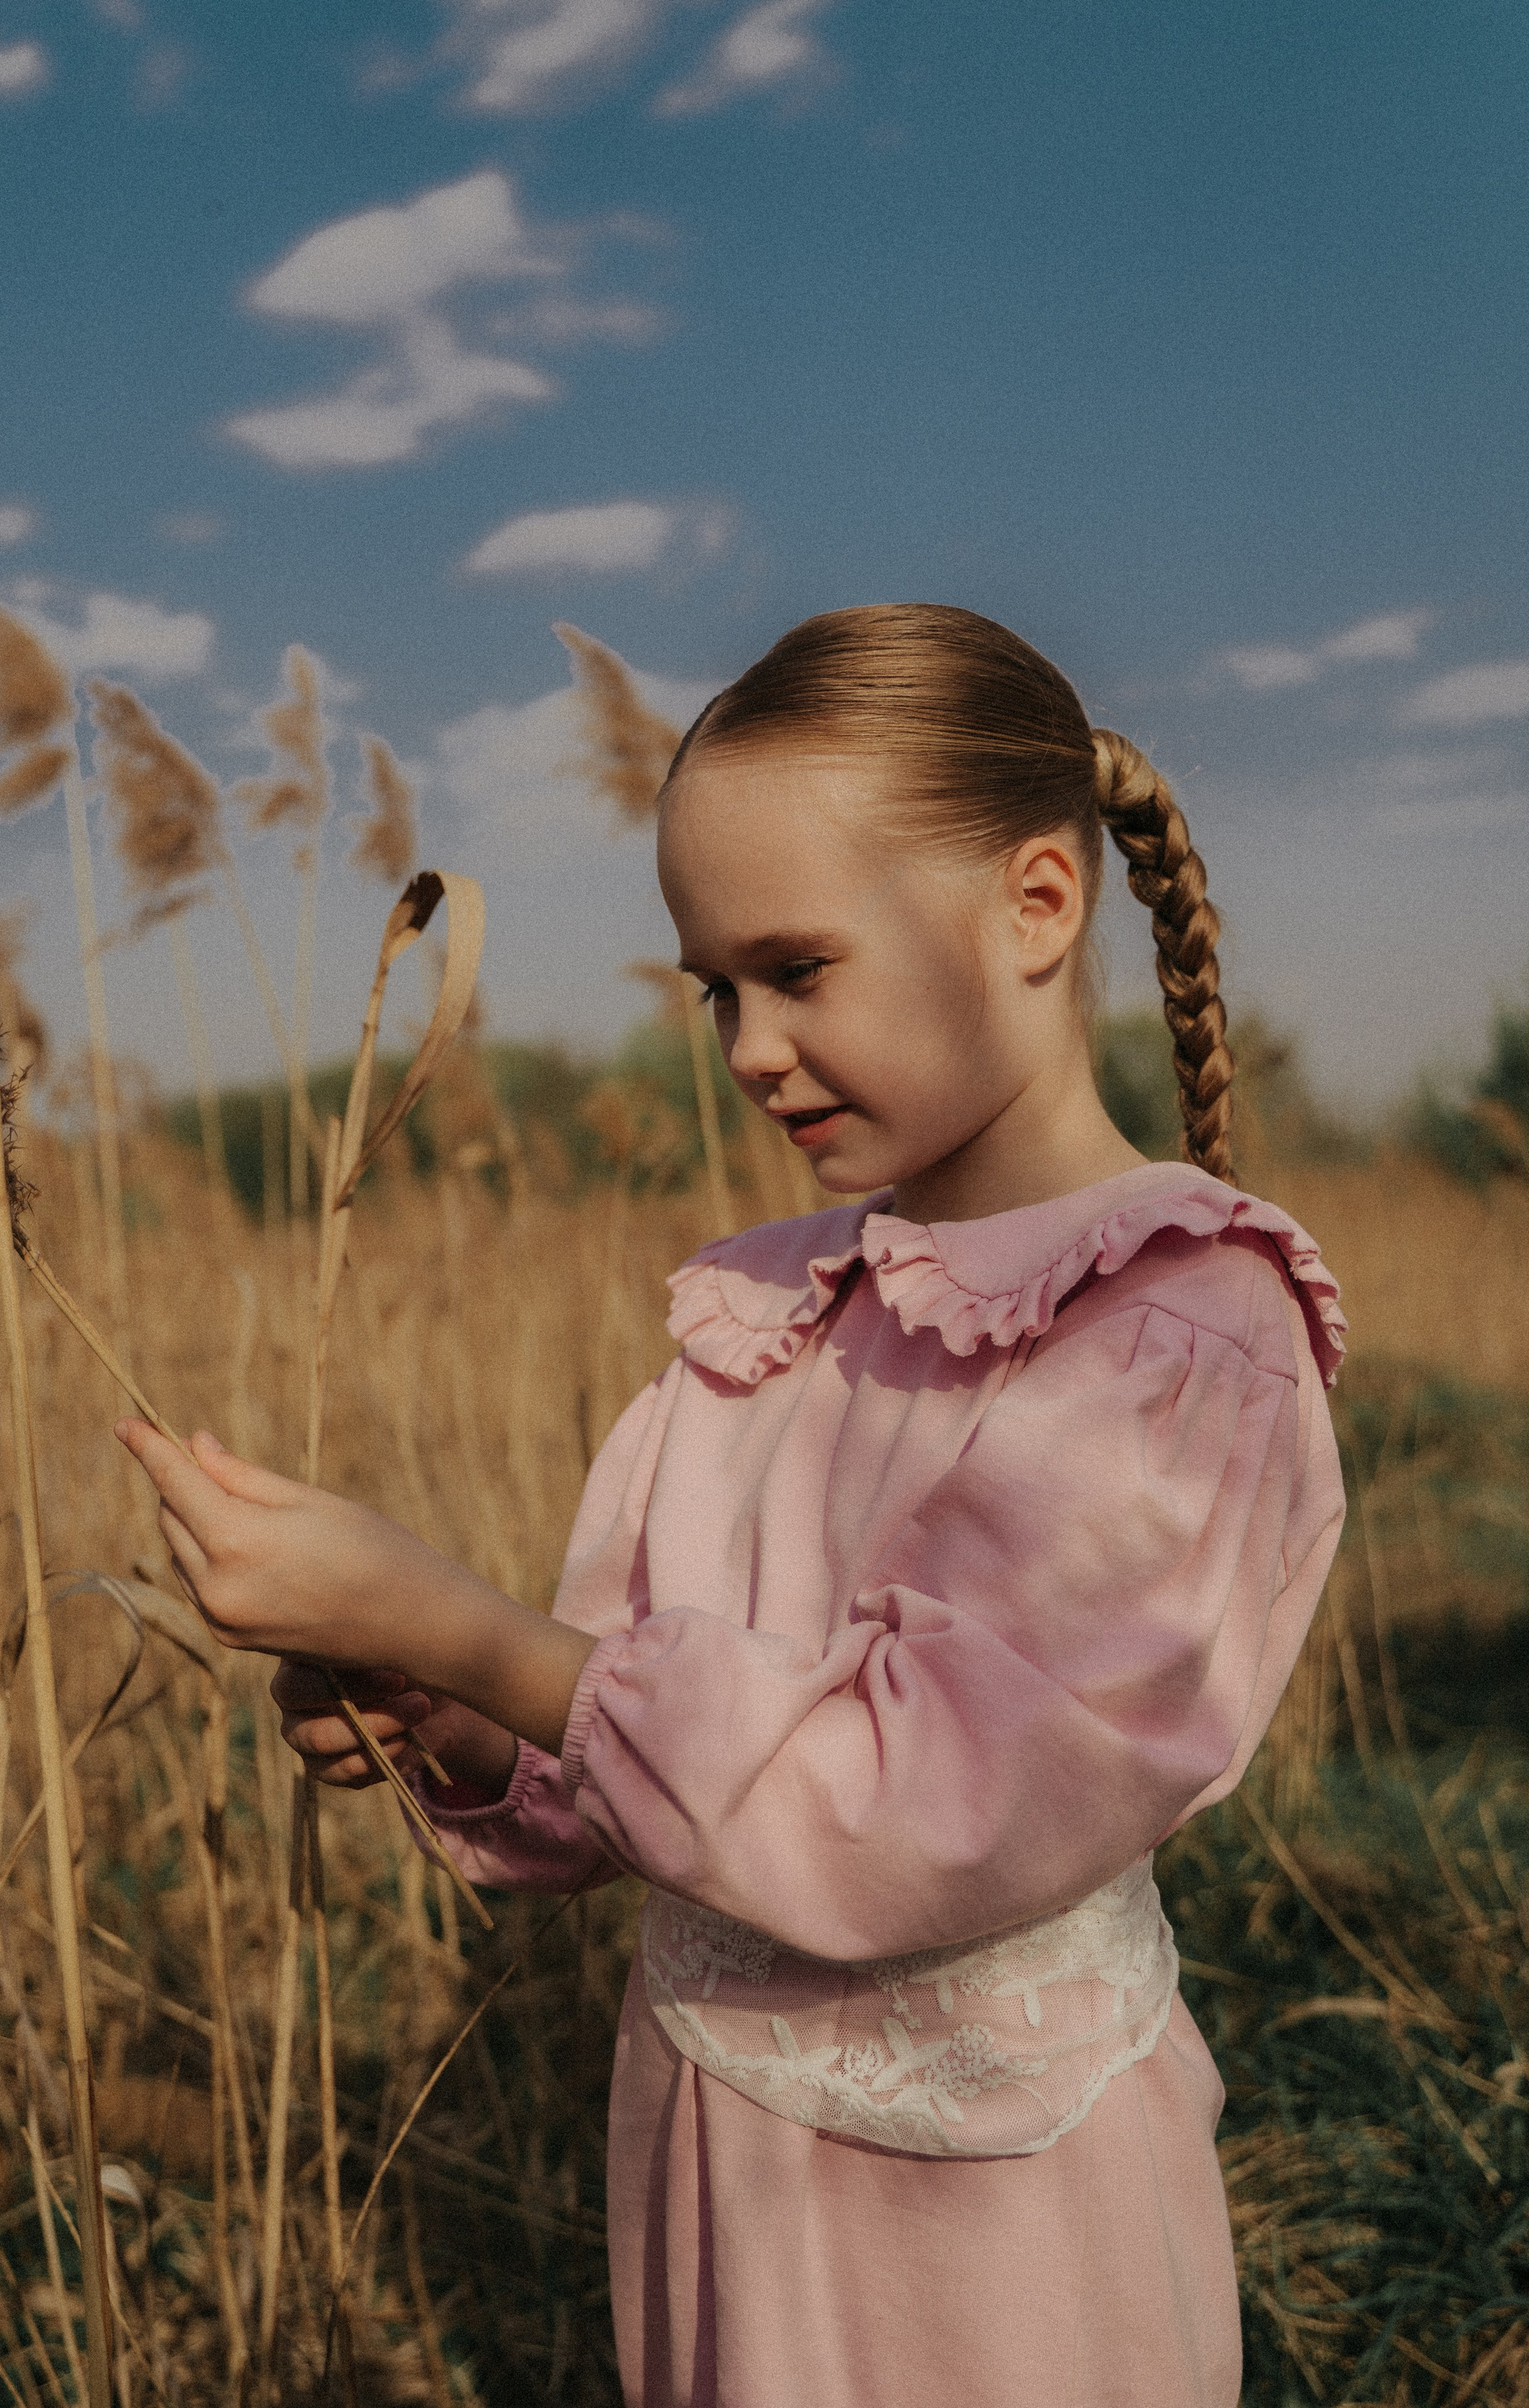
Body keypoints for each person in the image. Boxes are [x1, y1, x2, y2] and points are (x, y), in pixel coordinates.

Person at [118, 605, 1347, 2408]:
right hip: (716, 2153)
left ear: (1033, 908)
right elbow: (615, 1750)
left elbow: (925, 1804)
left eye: (796, 967)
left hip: (991, 2222)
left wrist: (465, 1628)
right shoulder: (760, 1319)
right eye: (714, 988)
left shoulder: (1171, 1334)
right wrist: (448, 1711)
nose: (749, 1047)